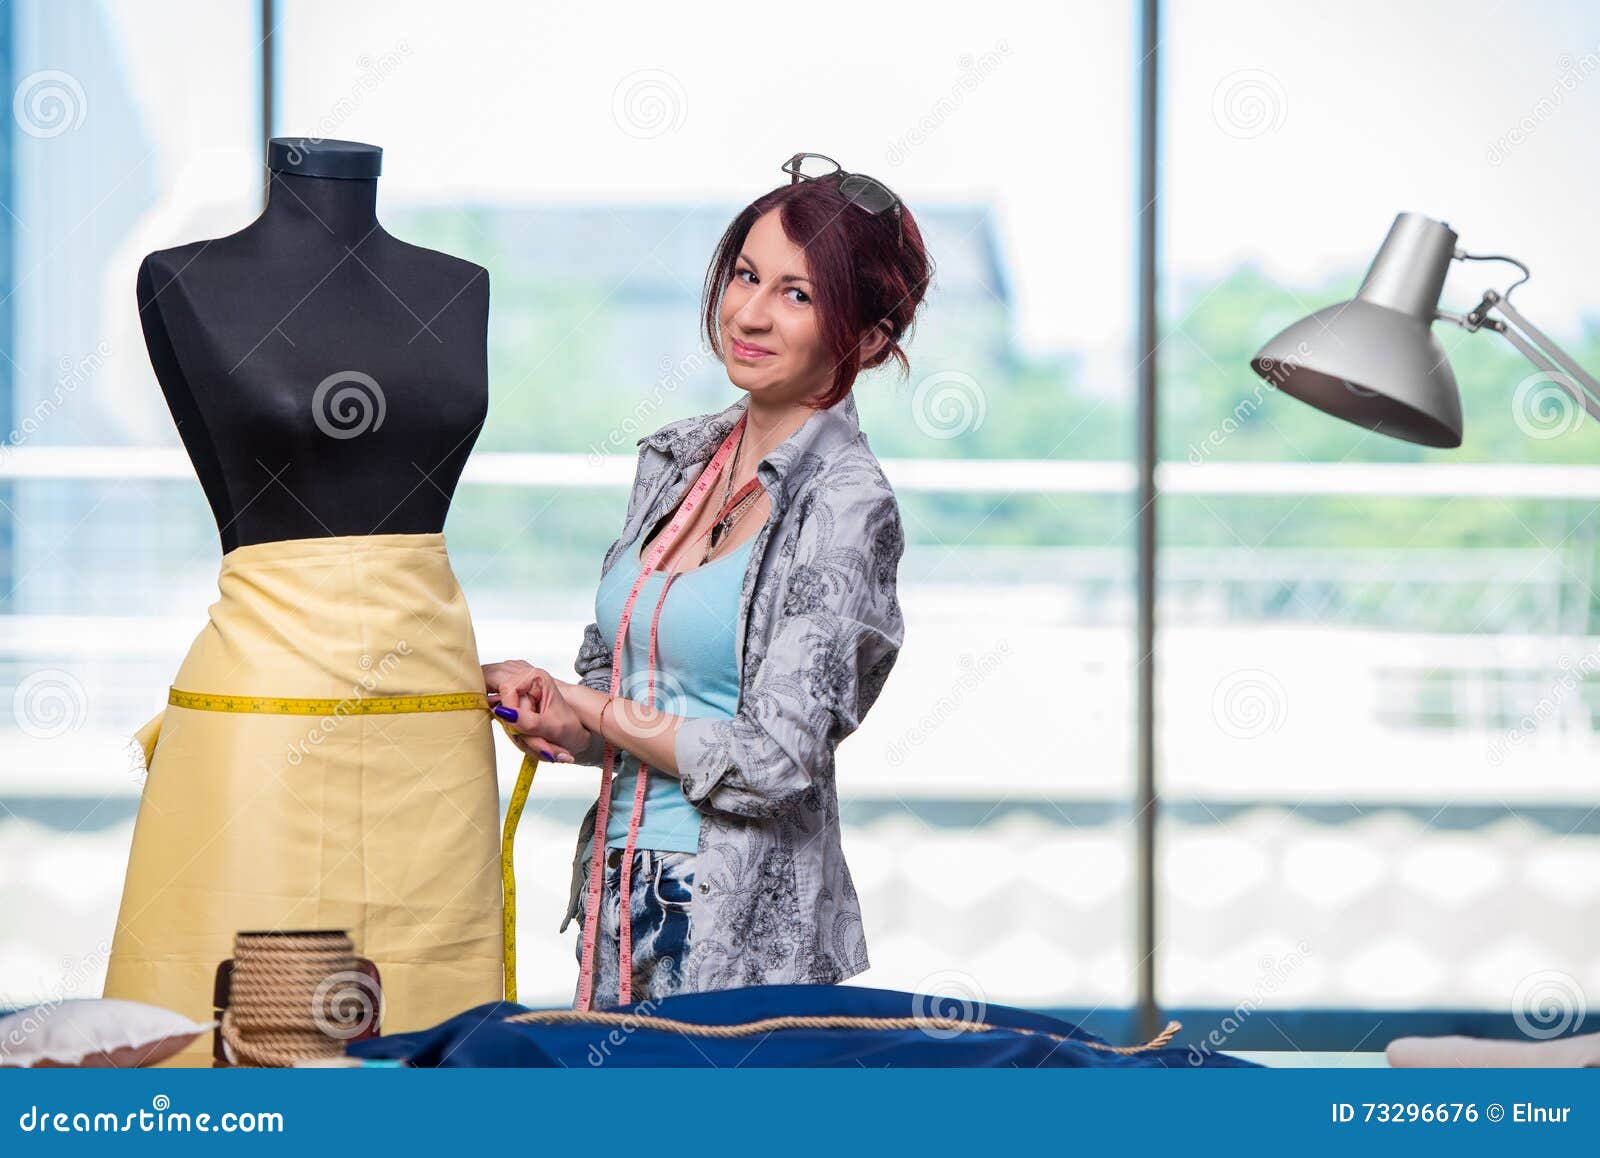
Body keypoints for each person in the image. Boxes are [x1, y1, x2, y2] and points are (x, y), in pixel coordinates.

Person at [483, 152, 934, 1010]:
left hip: (736, 922)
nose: (751, 314)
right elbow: (622, 705)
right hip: (619, 894)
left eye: (797, 295)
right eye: (745, 276)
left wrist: (599, 712)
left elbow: (771, 762)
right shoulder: (678, 459)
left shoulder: (846, 507)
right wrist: (558, 711)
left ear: (870, 337)